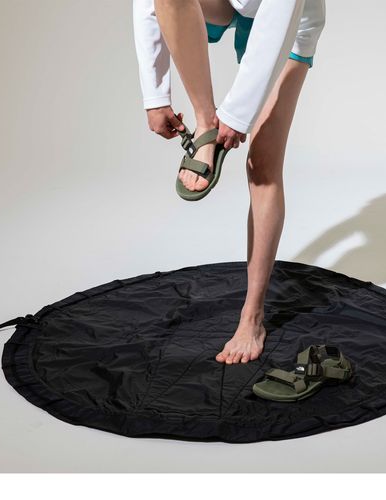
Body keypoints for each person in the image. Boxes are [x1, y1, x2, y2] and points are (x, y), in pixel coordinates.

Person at [133, 0, 325, 364]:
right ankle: (204, 121)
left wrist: (237, 115)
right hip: (232, 4)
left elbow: (279, 18)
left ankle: (252, 317)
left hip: (289, 19)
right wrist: (155, 96)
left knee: (262, 164)